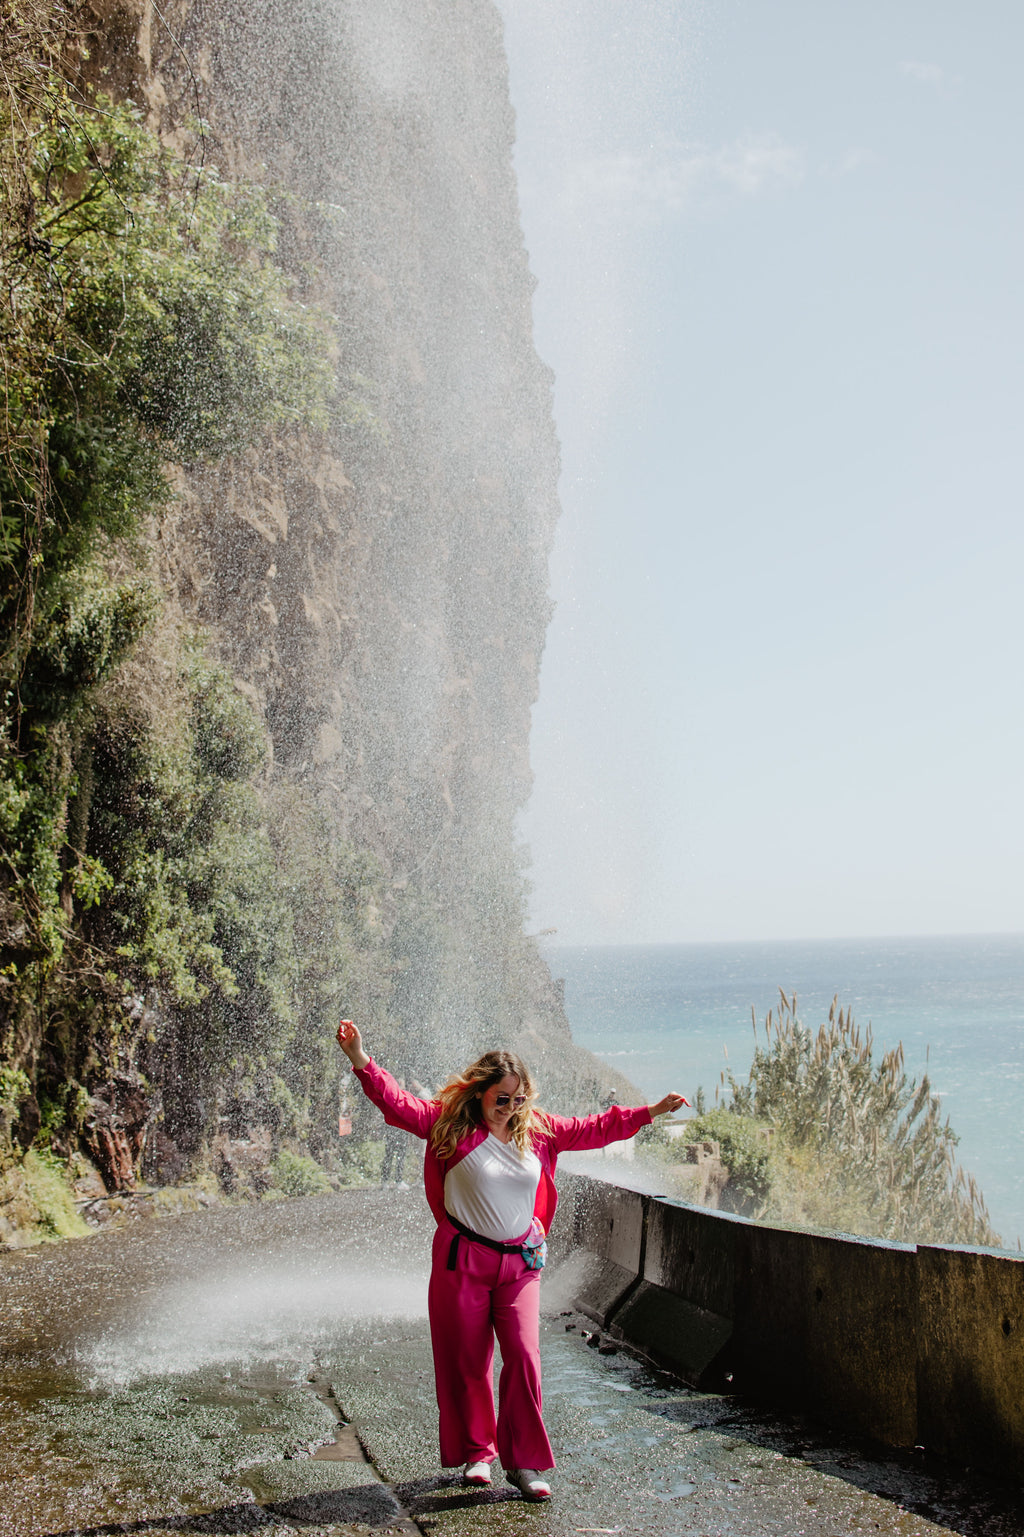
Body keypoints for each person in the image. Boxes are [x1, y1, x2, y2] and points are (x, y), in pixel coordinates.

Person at [336, 1019, 688, 1503]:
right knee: (468, 1363)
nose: (510, 1108)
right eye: (502, 1099)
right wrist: (361, 1058)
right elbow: (396, 1105)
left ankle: (524, 1462)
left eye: (518, 1099)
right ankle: (479, 1452)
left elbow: (595, 1129)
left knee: (523, 1357)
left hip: (520, 1265)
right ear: (480, 1094)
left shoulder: (538, 1132)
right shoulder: (449, 1126)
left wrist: (650, 1111)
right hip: (464, 1264)